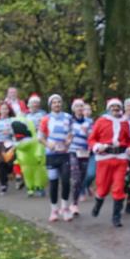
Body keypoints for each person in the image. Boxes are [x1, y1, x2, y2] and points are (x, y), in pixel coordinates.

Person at [88, 98, 130, 227]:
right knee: (103, 188)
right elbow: (91, 139)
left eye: (117, 107)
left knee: (119, 187)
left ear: (121, 109)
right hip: (104, 159)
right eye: (113, 106)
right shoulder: (101, 121)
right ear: (109, 108)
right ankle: (98, 204)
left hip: (121, 159)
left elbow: (129, 141)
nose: (115, 109)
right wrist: (97, 146)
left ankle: (116, 217)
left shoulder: (125, 123)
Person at [39, 94, 74, 222]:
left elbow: (71, 133)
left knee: (65, 180)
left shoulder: (68, 117)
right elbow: (40, 137)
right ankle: (54, 210)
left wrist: (69, 141)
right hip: (51, 155)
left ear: (61, 104)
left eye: (59, 102)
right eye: (54, 102)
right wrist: (49, 145)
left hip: (64, 154)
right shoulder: (45, 119)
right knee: (53, 182)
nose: (57, 104)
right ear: (50, 105)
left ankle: (65, 208)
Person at [68, 98, 94, 217]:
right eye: (77, 106)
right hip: (73, 151)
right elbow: (66, 135)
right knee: (76, 178)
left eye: (81, 106)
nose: (79, 108)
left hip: (85, 152)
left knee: (82, 178)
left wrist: (87, 133)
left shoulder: (89, 122)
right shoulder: (69, 121)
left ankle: (75, 201)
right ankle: (74, 204)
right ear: (73, 109)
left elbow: (93, 136)